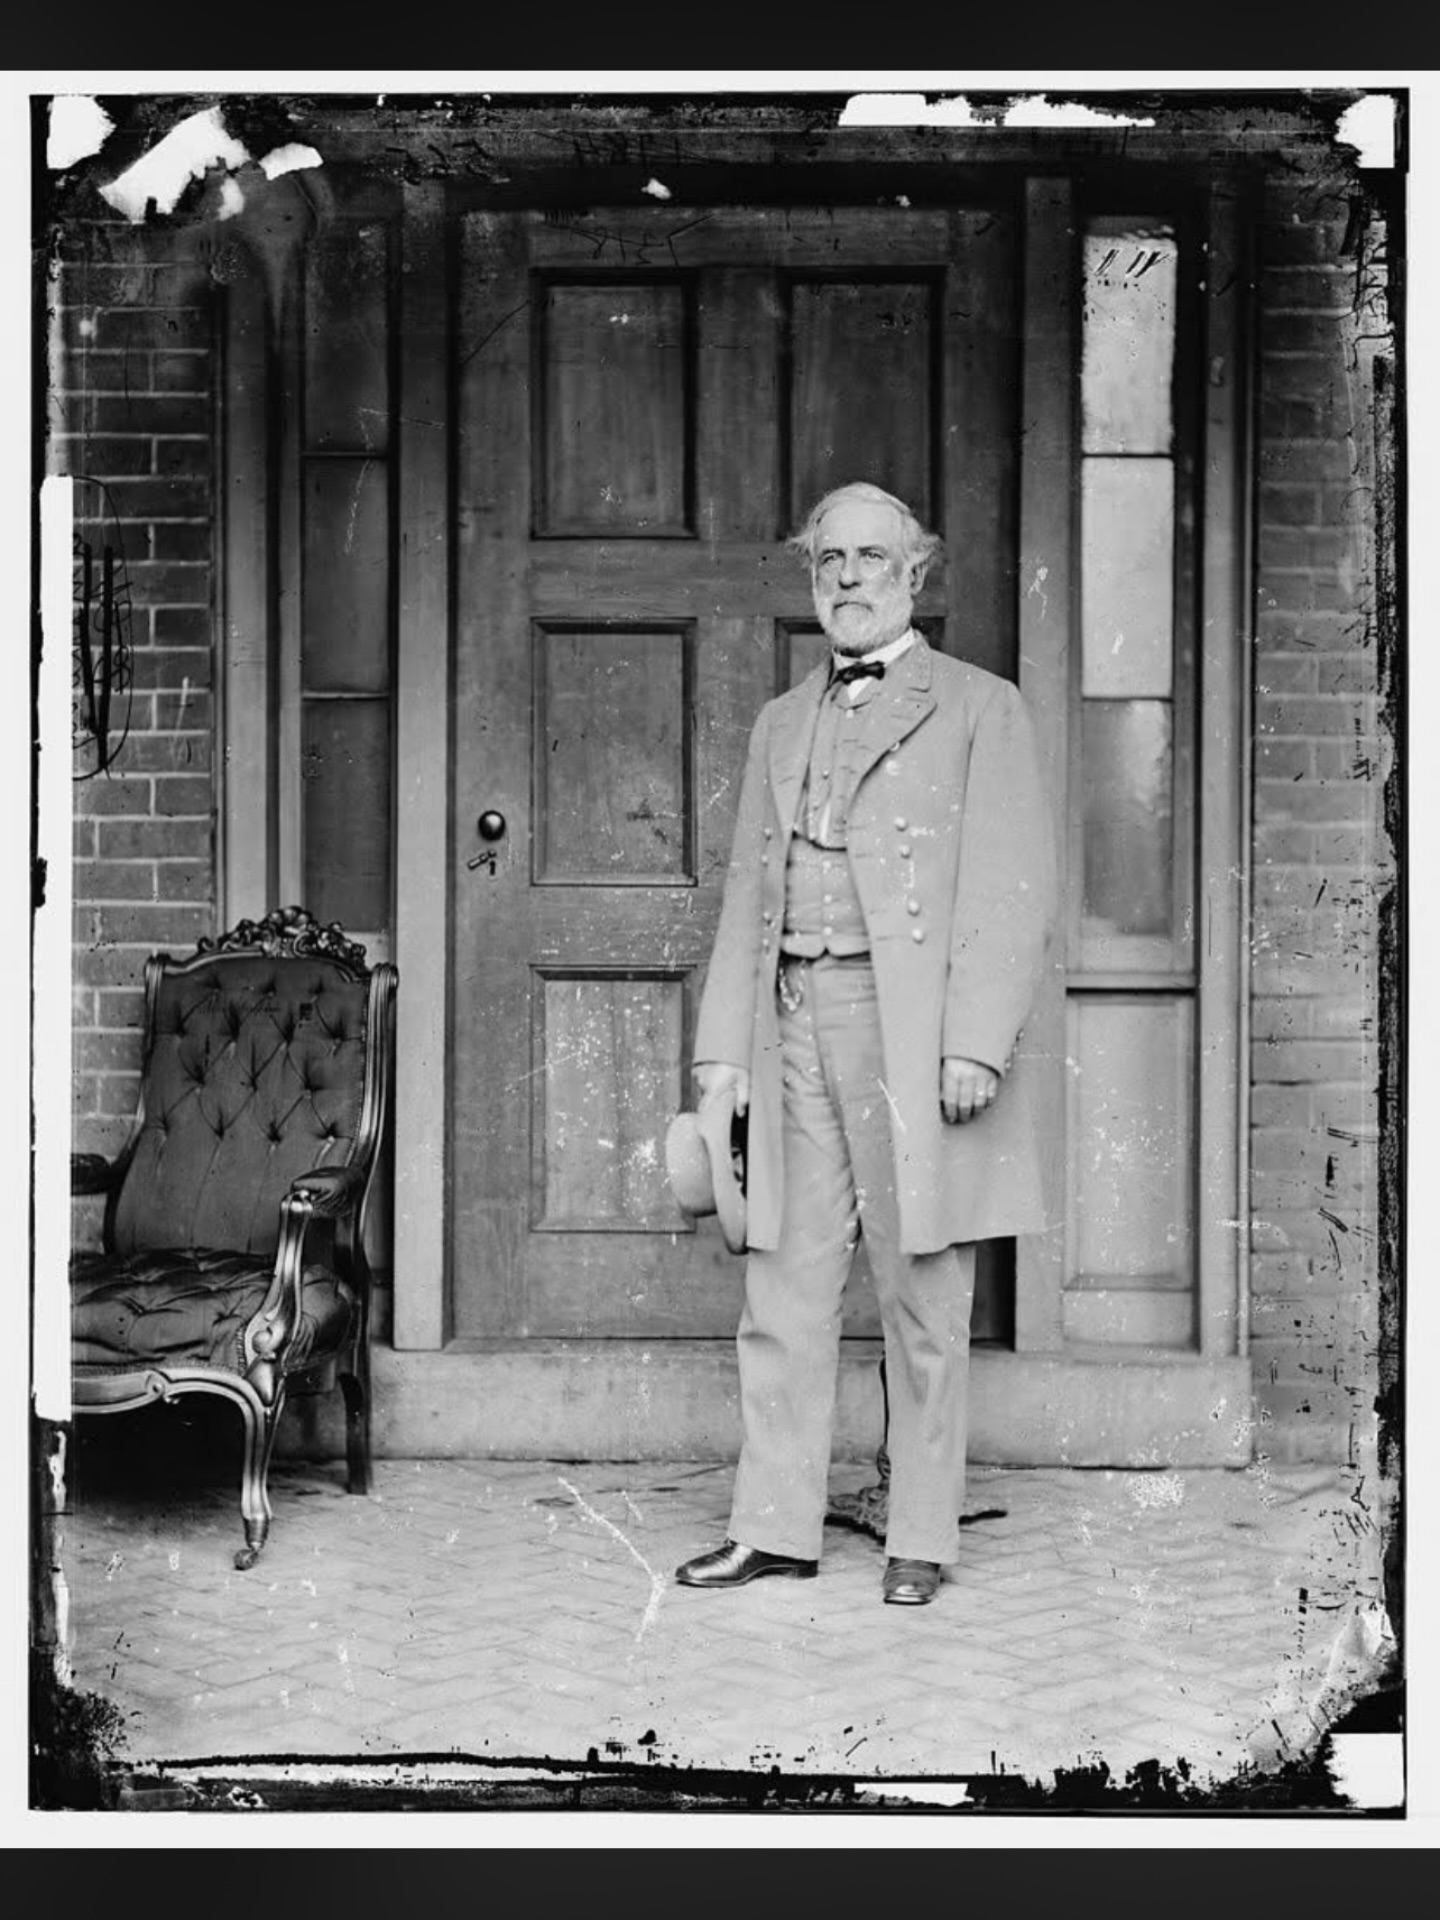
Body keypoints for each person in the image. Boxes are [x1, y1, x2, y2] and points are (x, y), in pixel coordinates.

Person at [675, 480, 1057, 1607]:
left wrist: (977, 1041)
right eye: (828, 559)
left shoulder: (982, 708)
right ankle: (774, 1525)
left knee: (923, 1286)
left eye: (870, 559)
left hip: (915, 1034)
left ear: (915, 576)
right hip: (789, 1019)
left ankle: (921, 1533)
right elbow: (748, 891)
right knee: (782, 1286)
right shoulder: (781, 721)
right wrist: (722, 1058)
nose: (846, 577)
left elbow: (1011, 889)